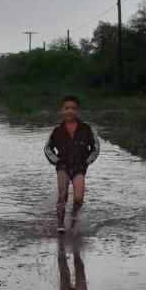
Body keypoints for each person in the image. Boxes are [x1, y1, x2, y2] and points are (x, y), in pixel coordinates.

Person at [44, 95, 100, 234]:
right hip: (62, 166)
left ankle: (74, 220)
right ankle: (60, 224)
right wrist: (56, 161)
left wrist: (87, 162)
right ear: (61, 111)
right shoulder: (57, 130)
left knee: (79, 198)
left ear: (78, 111)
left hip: (79, 167)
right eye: (66, 108)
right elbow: (47, 148)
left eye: (73, 109)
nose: (70, 111)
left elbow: (96, 147)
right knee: (63, 195)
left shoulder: (86, 128)